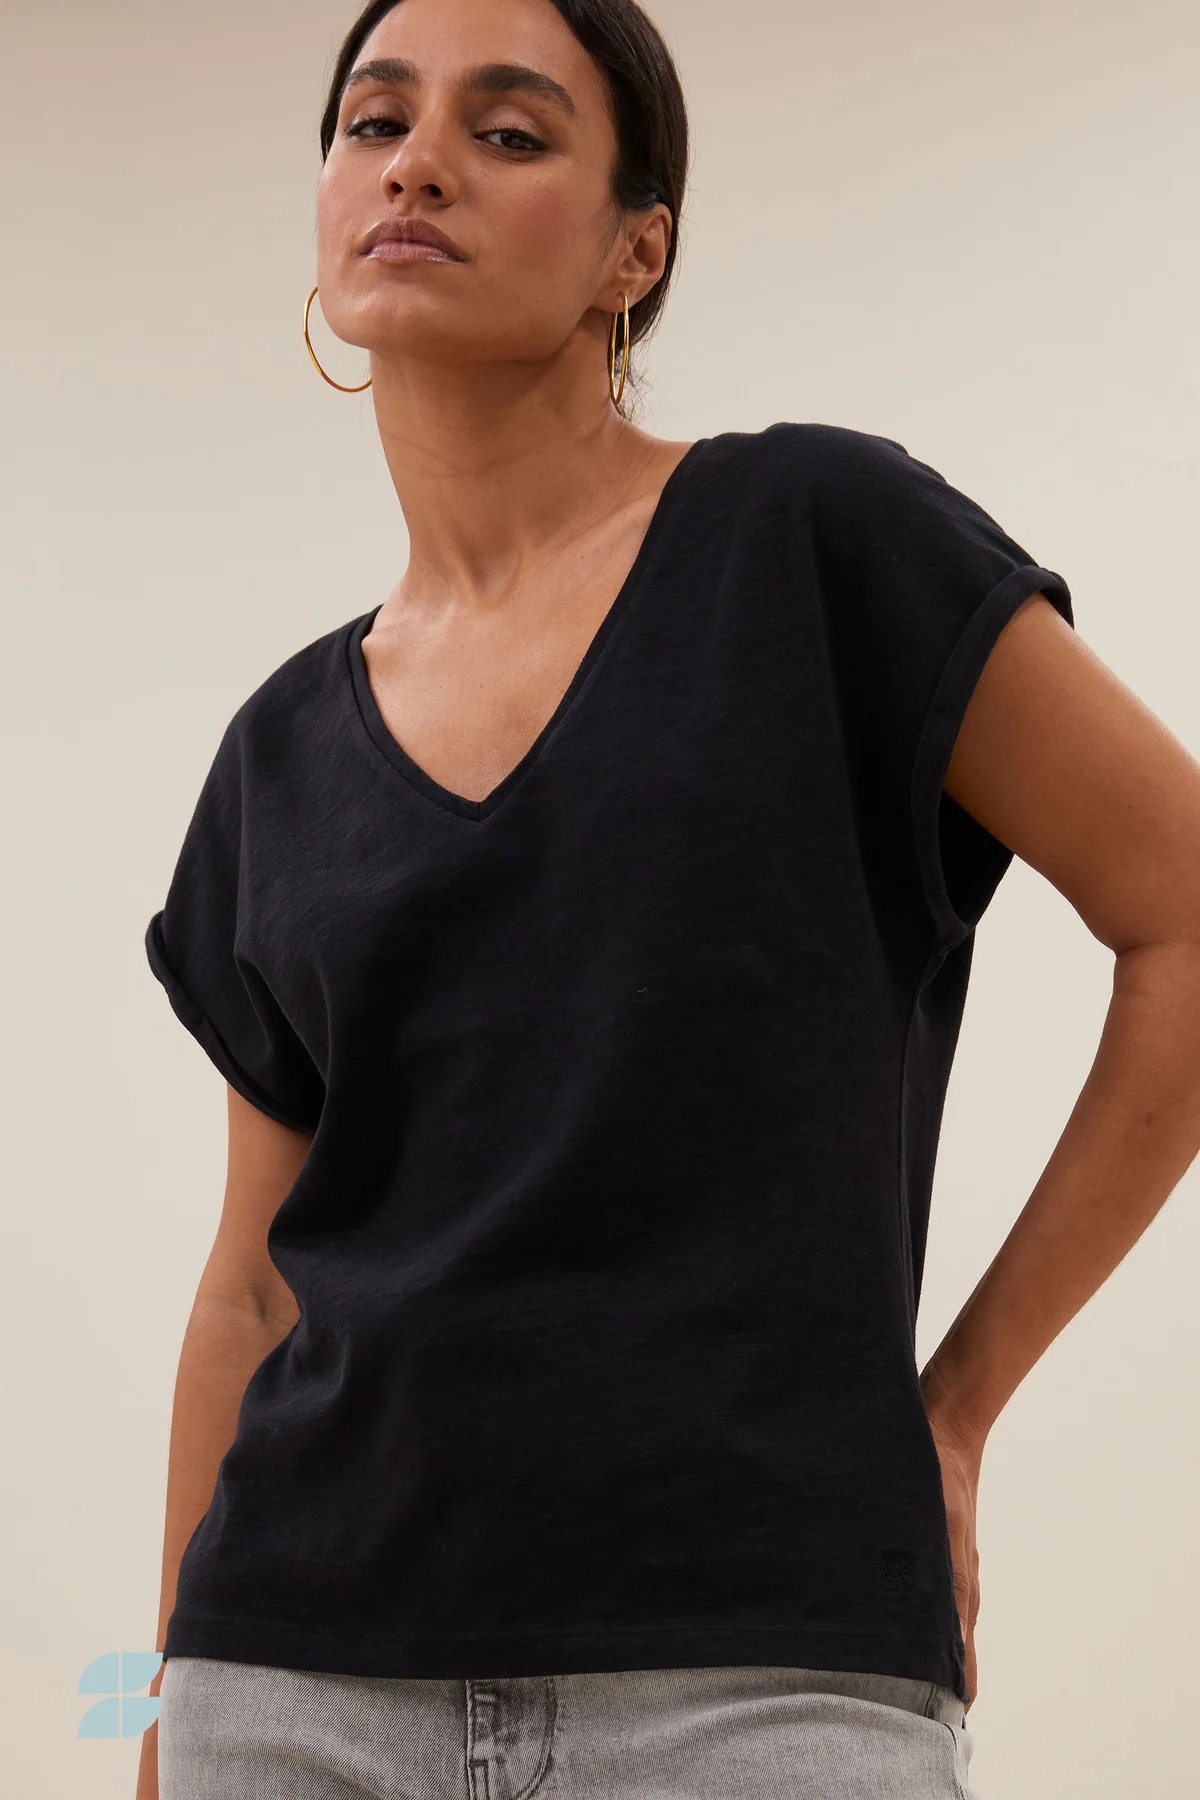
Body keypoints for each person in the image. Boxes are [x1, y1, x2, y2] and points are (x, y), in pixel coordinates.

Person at [138, 1, 1200, 1797]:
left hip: (760, 1681)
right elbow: (248, 1288)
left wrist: (954, 1410)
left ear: (640, 250)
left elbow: (1182, 910)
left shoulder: (817, 541)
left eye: (508, 132)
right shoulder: (278, 751)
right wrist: (156, 1703)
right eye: (375, 121)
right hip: (292, 1687)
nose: (417, 164)